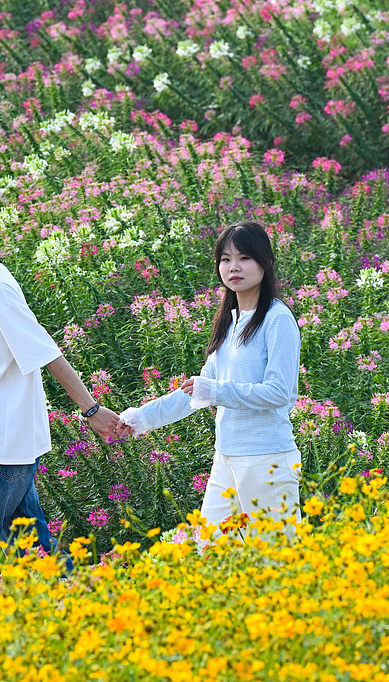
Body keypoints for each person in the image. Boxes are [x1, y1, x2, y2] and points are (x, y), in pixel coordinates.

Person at [0, 183, 121, 574]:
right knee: (39, 558)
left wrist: (92, 411)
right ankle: (94, 601)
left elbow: (46, 353)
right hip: (4, 448)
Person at [117, 221, 301, 543]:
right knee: (213, 550)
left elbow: (279, 392)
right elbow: (197, 391)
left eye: (244, 258)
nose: (234, 267)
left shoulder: (277, 318)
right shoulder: (229, 323)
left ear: (265, 261)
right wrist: (139, 418)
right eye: (226, 259)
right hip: (226, 456)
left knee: (277, 558)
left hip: (266, 458)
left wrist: (215, 391)